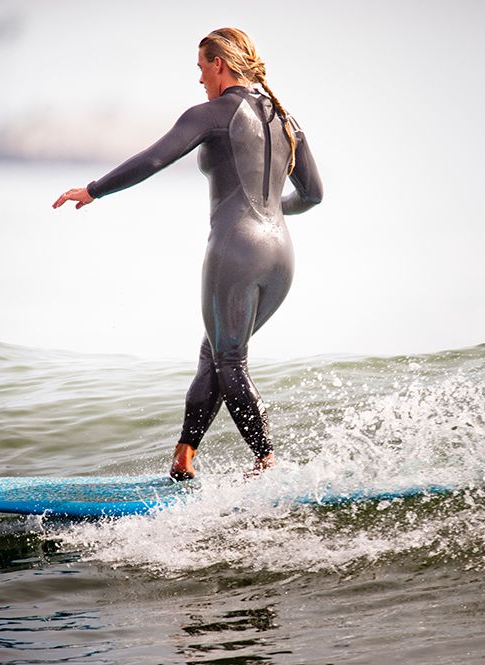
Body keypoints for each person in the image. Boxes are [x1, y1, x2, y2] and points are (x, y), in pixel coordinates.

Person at [52, 28, 323, 480]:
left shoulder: (212, 114)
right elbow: (313, 195)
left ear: (219, 63)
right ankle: (183, 456)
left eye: (201, 67)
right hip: (281, 257)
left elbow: (155, 158)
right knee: (215, 352)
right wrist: (273, 212)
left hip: (236, 251)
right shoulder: (286, 120)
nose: (199, 78)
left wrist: (94, 190)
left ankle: (267, 461)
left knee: (230, 359)